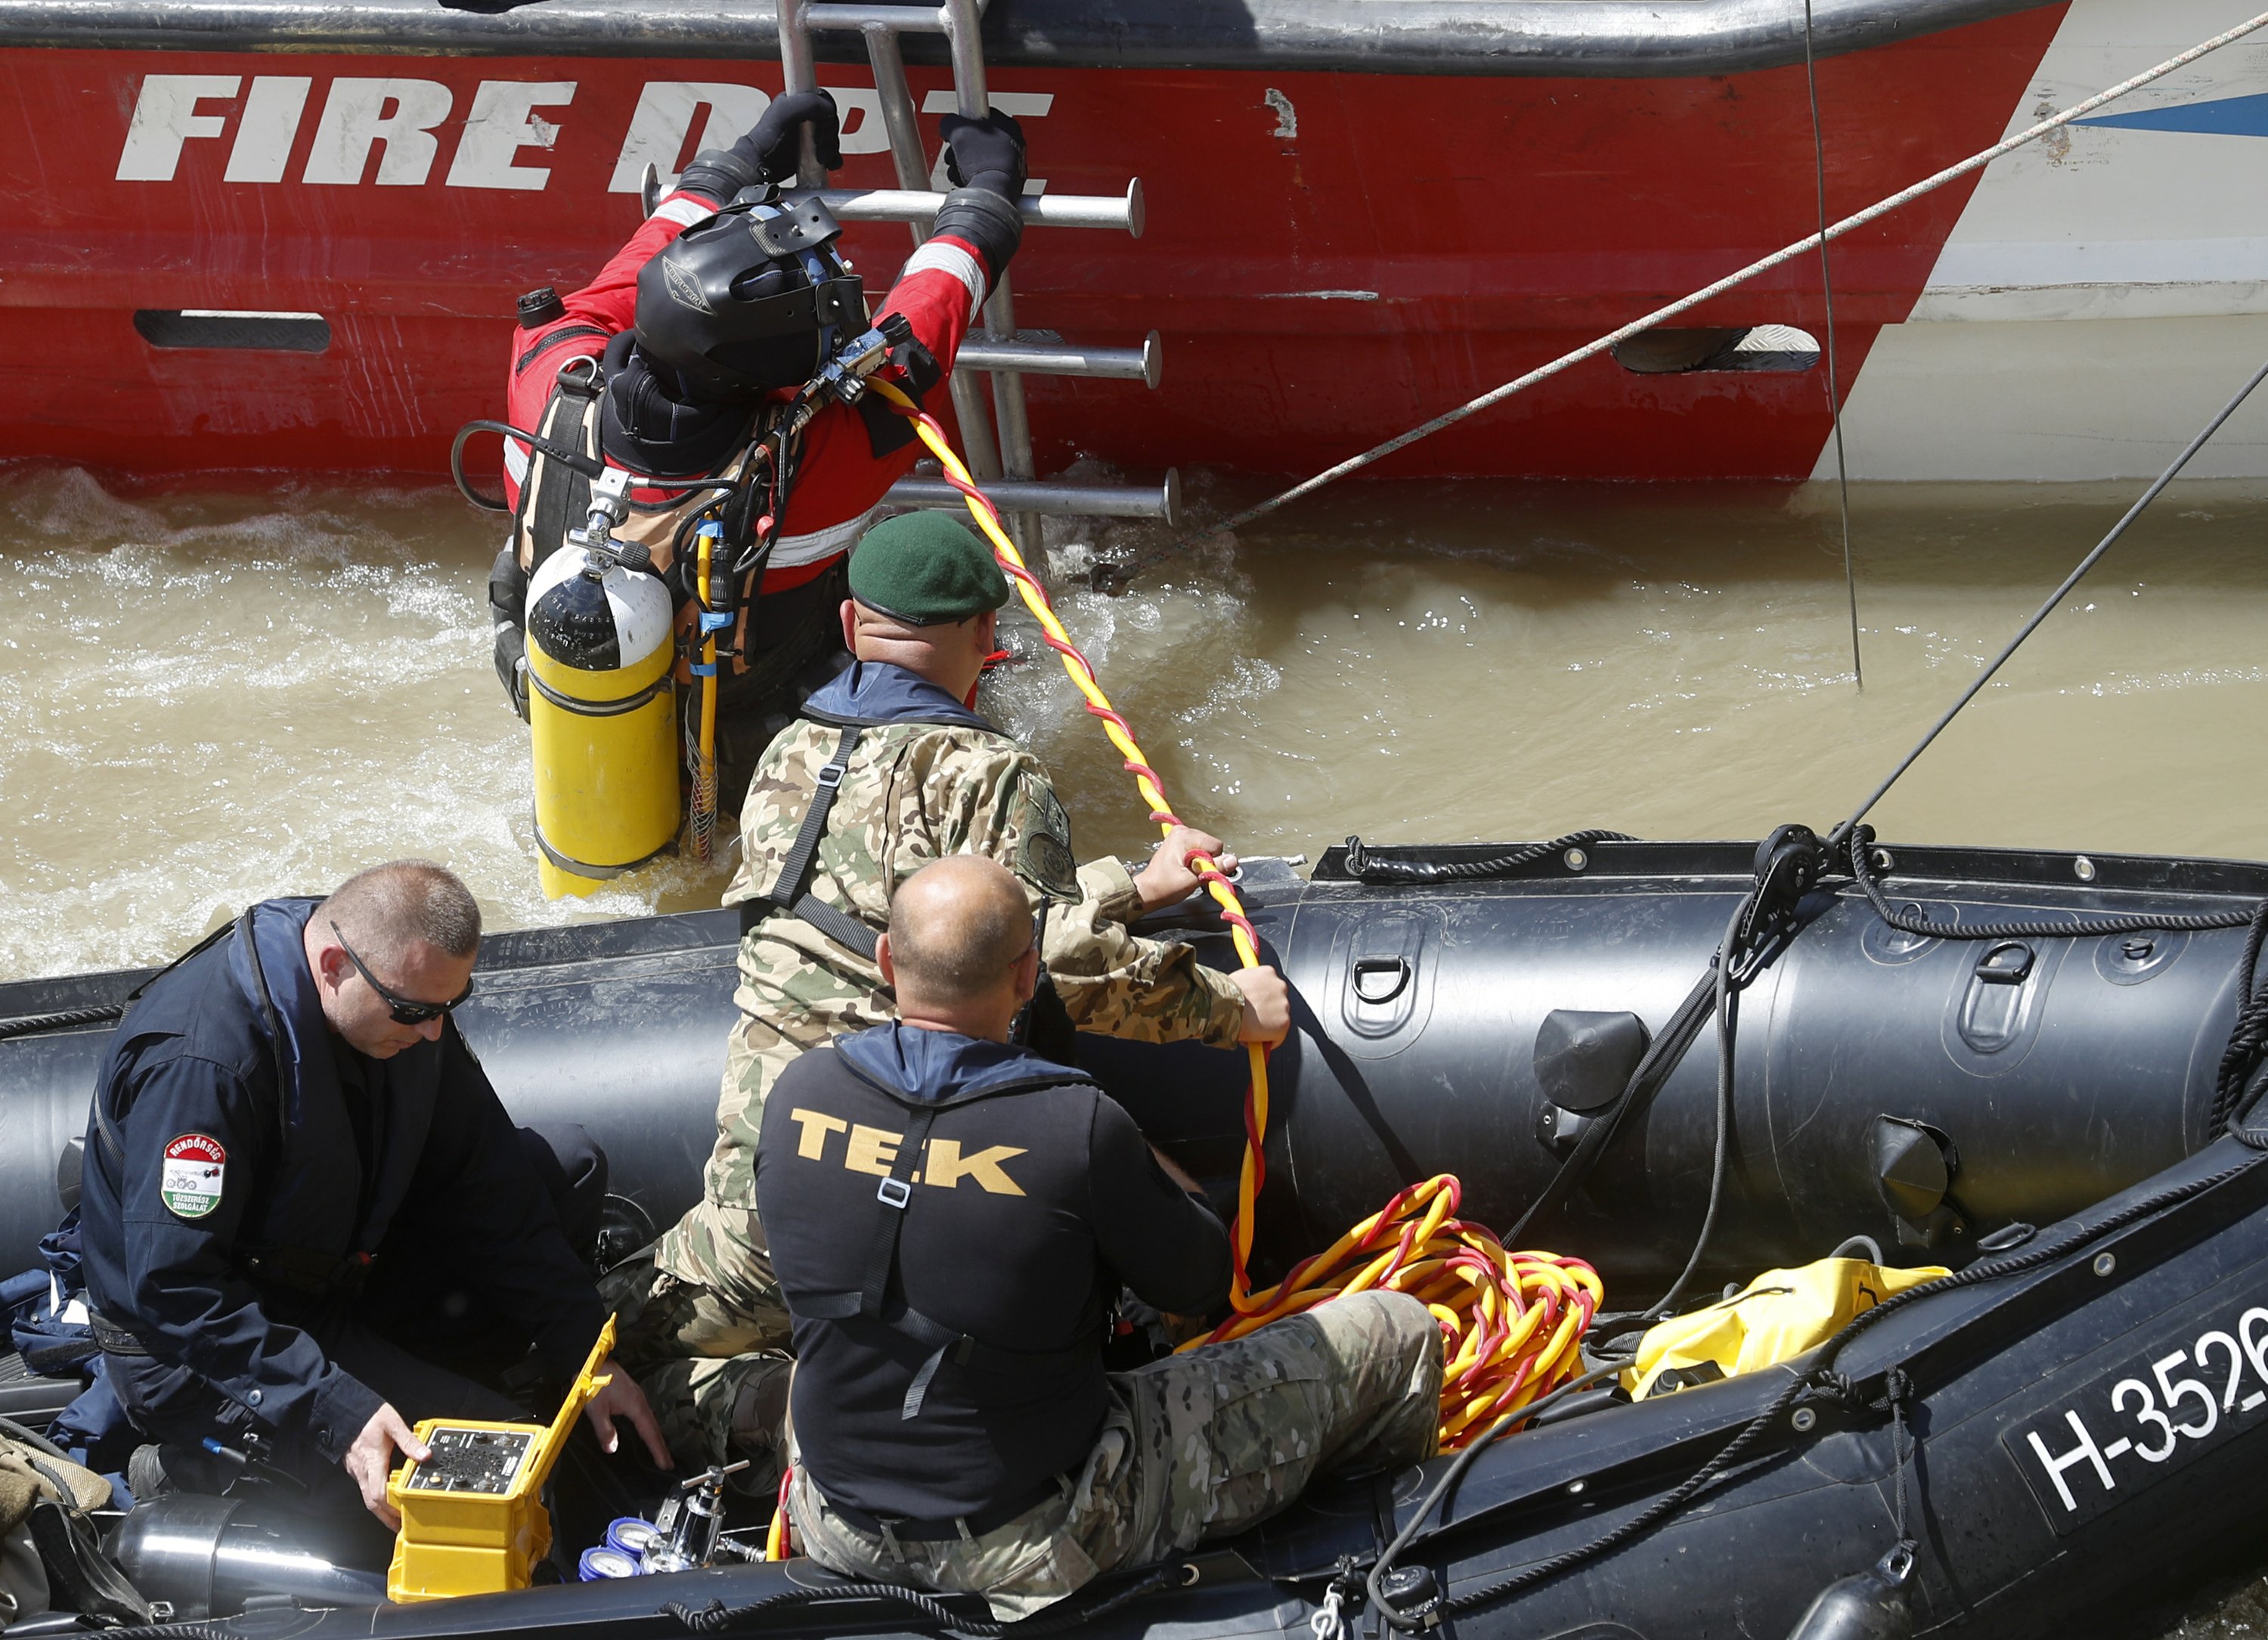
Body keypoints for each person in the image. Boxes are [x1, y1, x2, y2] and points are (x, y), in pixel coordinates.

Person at [608, 510, 1295, 1483]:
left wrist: (1131, 888)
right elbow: (1047, 963)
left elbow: (915, 911)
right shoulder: (991, 772)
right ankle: (797, 1415)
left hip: (753, 1199)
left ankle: (731, 1408)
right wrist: (1233, 1010)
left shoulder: (787, 757)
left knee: (586, 1351)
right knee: (1177, 1230)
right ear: (988, 641)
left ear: (851, 627)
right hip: (884, 1177)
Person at [758, 855, 1442, 1614]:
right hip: (1030, 1534)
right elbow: (1198, 1280)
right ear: (1026, 978)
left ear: (888, 960)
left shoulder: (798, 1092)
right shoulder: (1074, 1127)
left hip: (835, 1521)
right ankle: (1385, 1569)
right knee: (1399, 1332)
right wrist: (1128, 1163)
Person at [71, 862, 670, 1529]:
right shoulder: (204, 1069)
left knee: (565, 1164)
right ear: (333, 965)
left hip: (326, 1277)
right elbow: (175, 1290)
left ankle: (434, 1384)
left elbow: (489, 1181)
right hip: (198, 1350)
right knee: (497, 1452)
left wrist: (588, 1355)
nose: (433, 1032)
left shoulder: (402, 1001)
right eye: (415, 1012)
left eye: (450, 1006)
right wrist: (337, 1410)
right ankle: (195, 1470)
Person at [489, 88, 1033, 803]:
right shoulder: (811, 467)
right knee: (928, 583)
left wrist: (734, 166)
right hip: (755, 756)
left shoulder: (546, 376)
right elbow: (919, 335)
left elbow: (624, 282)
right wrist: (984, 203)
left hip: (584, 735)